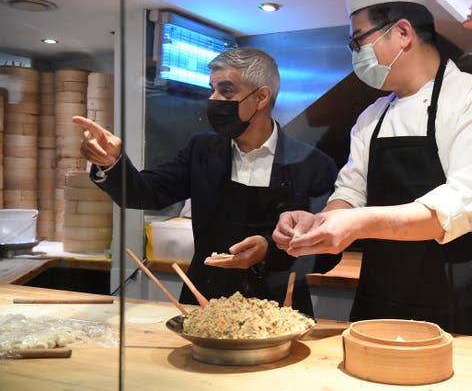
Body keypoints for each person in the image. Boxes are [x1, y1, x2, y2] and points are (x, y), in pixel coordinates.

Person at [273, 0, 472, 338]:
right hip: (383, 290)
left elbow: (460, 203)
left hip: (461, 290)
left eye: (358, 41)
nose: (355, 53)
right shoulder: (373, 115)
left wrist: (357, 224)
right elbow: (351, 192)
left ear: (402, 32)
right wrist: (319, 222)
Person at [73, 47, 340, 317]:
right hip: (204, 303)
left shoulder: (312, 164)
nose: (213, 99)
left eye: (226, 91)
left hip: (281, 310)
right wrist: (112, 163)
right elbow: (145, 192)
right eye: (212, 90)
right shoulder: (201, 150)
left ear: (261, 97)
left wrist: (269, 251)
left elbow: (328, 254)